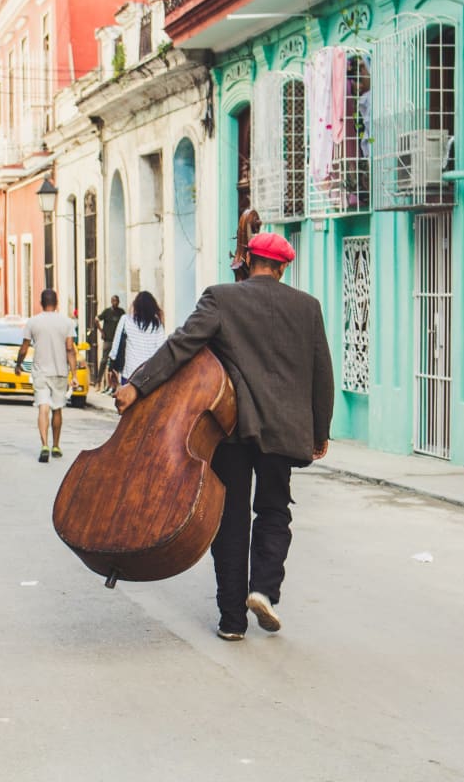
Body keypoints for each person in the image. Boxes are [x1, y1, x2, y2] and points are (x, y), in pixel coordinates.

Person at [116, 233, 334, 641]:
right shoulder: (308, 308)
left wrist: (137, 385)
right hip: (284, 431)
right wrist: (319, 431)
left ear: (248, 260)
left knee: (230, 519)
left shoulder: (220, 298)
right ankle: (264, 590)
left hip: (234, 428)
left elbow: (181, 345)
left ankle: (231, 621)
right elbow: (322, 374)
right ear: (284, 267)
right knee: (274, 511)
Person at [15, 289, 78, 463]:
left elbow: (24, 347)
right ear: (57, 303)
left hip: (41, 371)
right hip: (60, 372)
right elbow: (70, 349)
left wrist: (18, 364)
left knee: (43, 407)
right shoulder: (67, 322)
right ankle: (56, 445)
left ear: (41, 303)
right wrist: (74, 374)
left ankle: (44, 444)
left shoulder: (33, 322)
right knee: (57, 408)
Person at [109, 291, 166, 385]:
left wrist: (111, 367)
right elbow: (161, 350)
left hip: (129, 375)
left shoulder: (126, 320)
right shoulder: (157, 325)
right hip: (149, 377)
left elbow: (115, 345)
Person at [95, 295, 125, 393]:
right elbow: (96, 319)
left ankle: (113, 385)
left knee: (115, 363)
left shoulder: (121, 312)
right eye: (113, 301)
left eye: (116, 301)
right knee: (103, 361)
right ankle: (98, 382)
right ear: (111, 301)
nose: (115, 303)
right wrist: (101, 331)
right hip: (108, 340)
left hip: (118, 341)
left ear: (119, 302)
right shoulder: (107, 312)